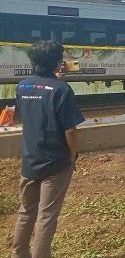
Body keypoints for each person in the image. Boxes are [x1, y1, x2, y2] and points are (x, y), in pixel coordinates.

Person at [12, 41, 85, 258]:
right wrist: (72, 155)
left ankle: (19, 254)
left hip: (30, 161)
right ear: (56, 62)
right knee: (46, 216)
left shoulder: (22, 86)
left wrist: (52, 81)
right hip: (55, 163)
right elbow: (70, 130)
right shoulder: (62, 89)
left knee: (26, 212)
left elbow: (30, 111)